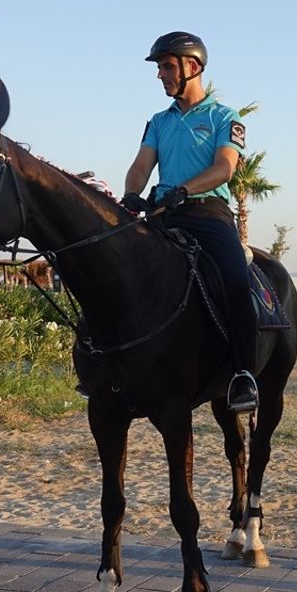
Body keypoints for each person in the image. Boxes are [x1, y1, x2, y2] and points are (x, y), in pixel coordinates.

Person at [120, 30, 258, 413]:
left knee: (235, 279)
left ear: (191, 67)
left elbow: (224, 168)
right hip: (163, 213)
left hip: (207, 213)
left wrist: (183, 189)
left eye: (166, 66)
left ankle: (244, 374)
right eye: (161, 67)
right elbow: (141, 165)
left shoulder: (225, 117)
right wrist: (132, 194)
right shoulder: (158, 121)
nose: (161, 75)